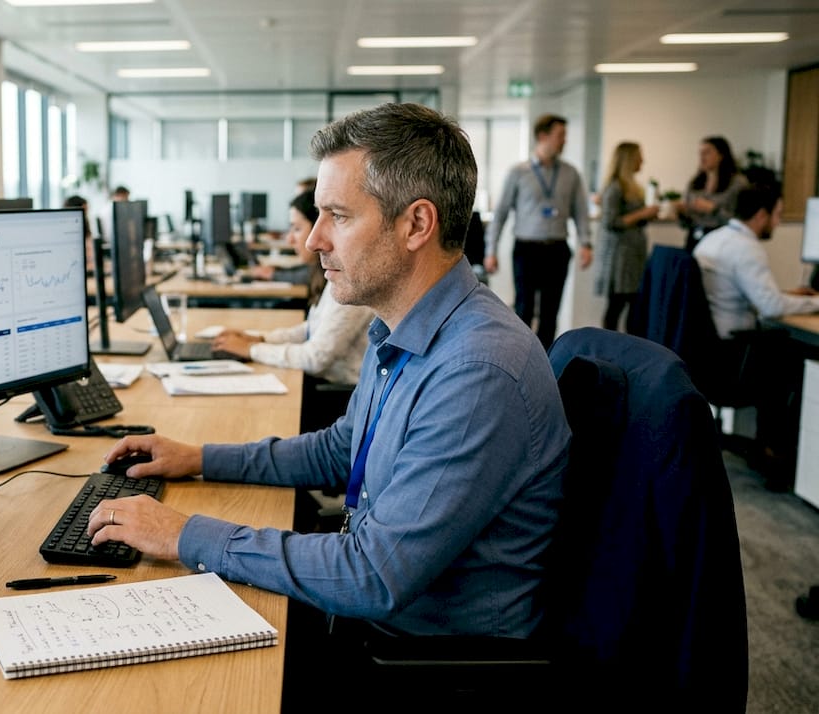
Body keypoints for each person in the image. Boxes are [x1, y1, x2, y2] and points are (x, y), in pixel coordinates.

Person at [86, 103, 570, 686]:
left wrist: (182, 534)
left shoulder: (478, 370)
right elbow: (342, 450)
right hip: (377, 613)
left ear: (417, 225)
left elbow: (372, 575)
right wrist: (199, 458)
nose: (314, 239)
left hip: (418, 656)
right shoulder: (406, 328)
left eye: (337, 215)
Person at [694, 182, 819, 488]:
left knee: (785, 347)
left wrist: (791, 295)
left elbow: (759, 297)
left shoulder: (713, 239)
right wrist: (814, 302)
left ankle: (769, 450)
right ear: (761, 215)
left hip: (707, 352)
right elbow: (769, 306)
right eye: (777, 215)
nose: (778, 222)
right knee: (795, 362)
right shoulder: (746, 248)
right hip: (732, 358)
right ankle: (776, 457)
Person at [211, 190, 371, 388]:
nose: (290, 239)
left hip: (335, 394)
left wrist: (252, 349)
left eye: (296, 228)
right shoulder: (336, 275)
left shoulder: (352, 282)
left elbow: (316, 358)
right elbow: (313, 329)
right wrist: (261, 338)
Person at [483, 113, 593, 350]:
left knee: (550, 313)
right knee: (524, 309)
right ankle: (520, 359)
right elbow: (500, 213)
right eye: (560, 136)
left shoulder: (570, 174)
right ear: (542, 136)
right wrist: (490, 250)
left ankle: (547, 364)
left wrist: (586, 243)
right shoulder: (518, 172)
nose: (564, 141)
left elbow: (580, 212)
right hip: (527, 249)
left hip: (557, 249)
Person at [596, 141, 660, 330]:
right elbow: (610, 222)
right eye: (639, 156)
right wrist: (642, 214)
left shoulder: (634, 188)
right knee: (616, 307)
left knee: (634, 307)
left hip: (633, 256)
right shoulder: (615, 188)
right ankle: (609, 349)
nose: (643, 160)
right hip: (620, 258)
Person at [681, 136, 749, 252]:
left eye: (707, 153)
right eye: (700, 153)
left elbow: (742, 221)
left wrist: (714, 209)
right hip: (695, 239)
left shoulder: (738, 183)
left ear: (721, 155)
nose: (702, 158)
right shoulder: (694, 183)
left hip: (723, 242)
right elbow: (686, 224)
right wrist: (681, 213)